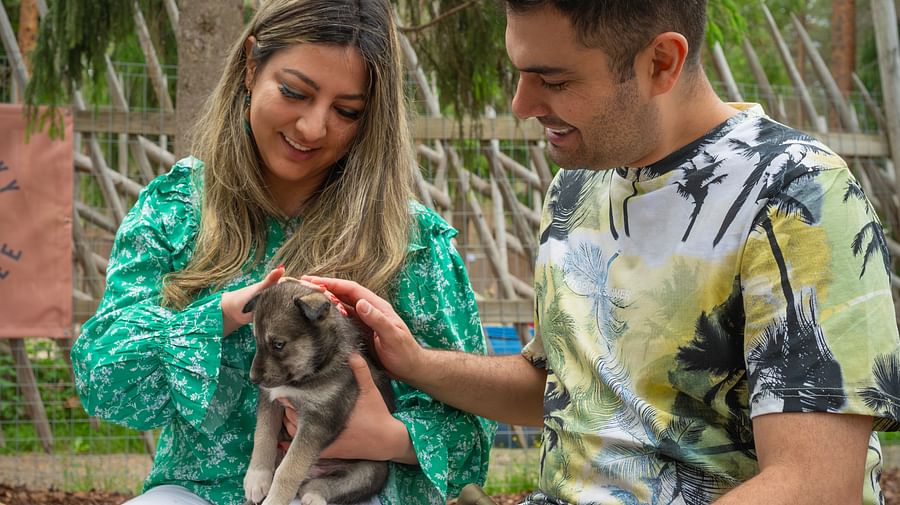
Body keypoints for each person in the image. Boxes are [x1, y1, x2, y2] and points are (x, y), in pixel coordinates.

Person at [305, 1, 900, 504]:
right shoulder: (582, 181)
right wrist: (415, 361)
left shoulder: (795, 193)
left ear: (661, 63)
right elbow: (567, 387)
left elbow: (815, 483)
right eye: (520, 73)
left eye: (555, 81)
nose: (521, 103)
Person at [69, 1, 495, 504]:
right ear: (251, 66)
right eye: (294, 92)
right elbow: (104, 384)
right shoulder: (176, 211)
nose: (313, 127)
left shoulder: (408, 240)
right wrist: (217, 316)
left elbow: (474, 437)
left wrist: (390, 439)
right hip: (199, 493)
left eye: (347, 111)